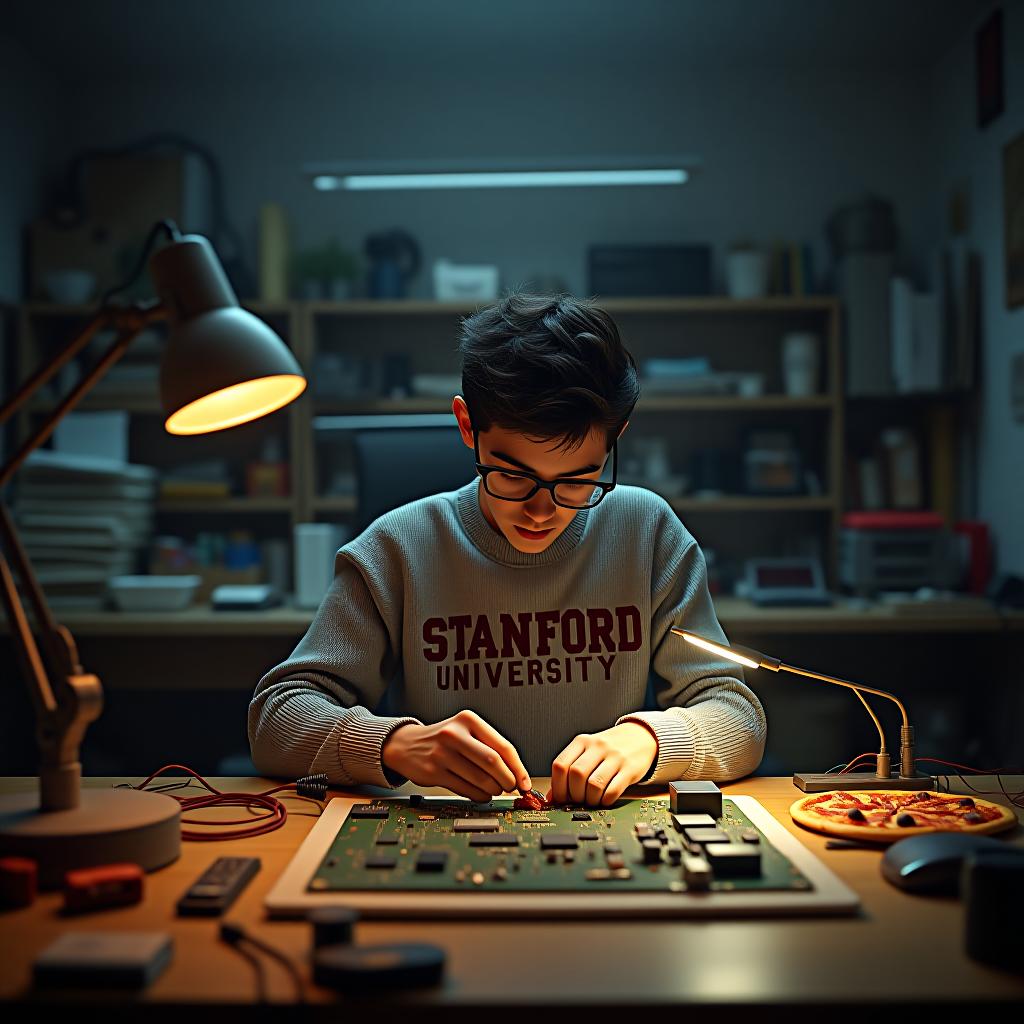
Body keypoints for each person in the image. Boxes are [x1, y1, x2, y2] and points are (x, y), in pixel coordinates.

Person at [248, 292, 766, 806]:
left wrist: (649, 741)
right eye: (513, 476)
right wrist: (395, 744)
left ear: (615, 438)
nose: (542, 511)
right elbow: (276, 717)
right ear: (467, 426)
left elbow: (736, 716)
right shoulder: (397, 548)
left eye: (578, 480)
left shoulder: (647, 532)